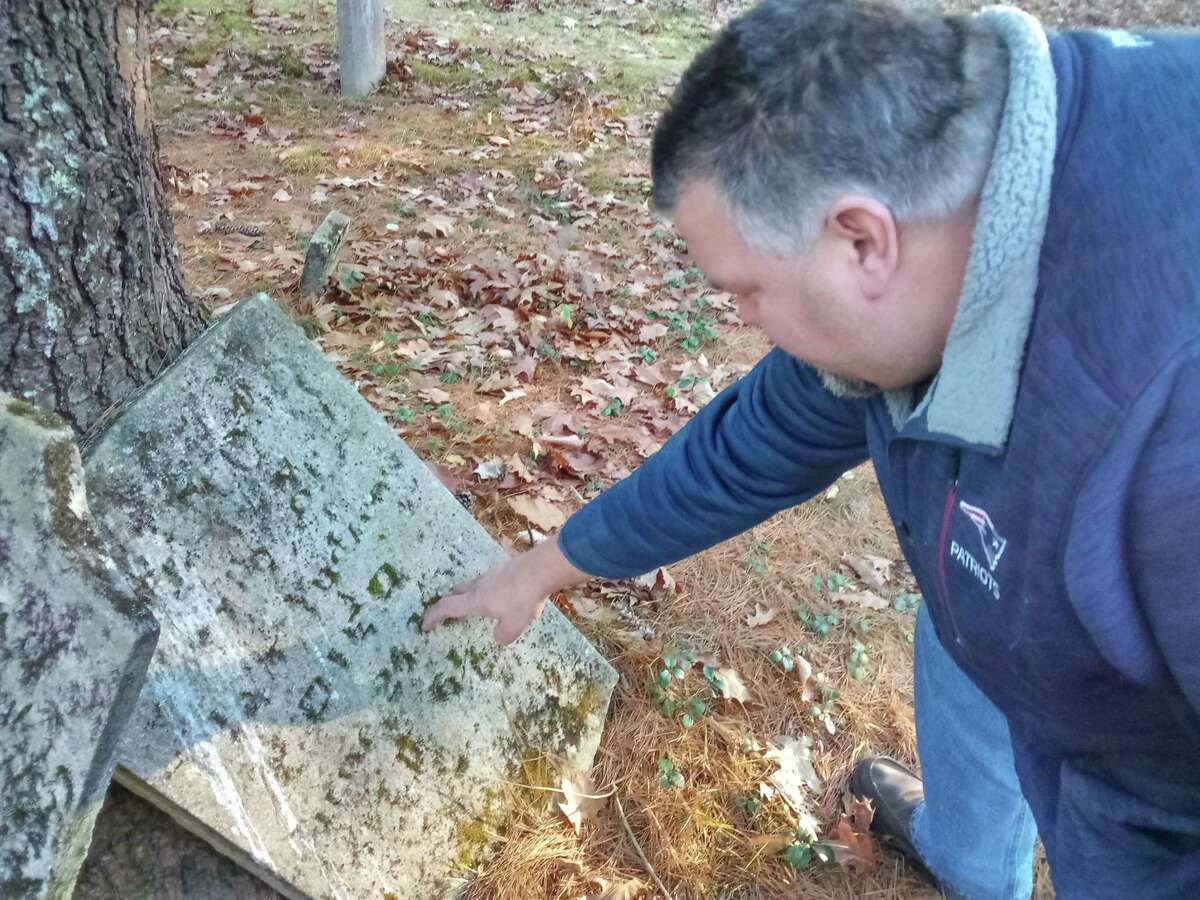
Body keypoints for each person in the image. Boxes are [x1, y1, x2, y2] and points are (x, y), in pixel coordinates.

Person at [423, 1, 1200, 896]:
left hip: (1156, 789)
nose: (745, 321)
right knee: (974, 593)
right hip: (1036, 585)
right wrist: (546, 566)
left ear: (863, 241)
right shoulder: (967, 185)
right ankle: (971, 855)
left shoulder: (1164, 441)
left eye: (746, 291)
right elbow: (756, 440)